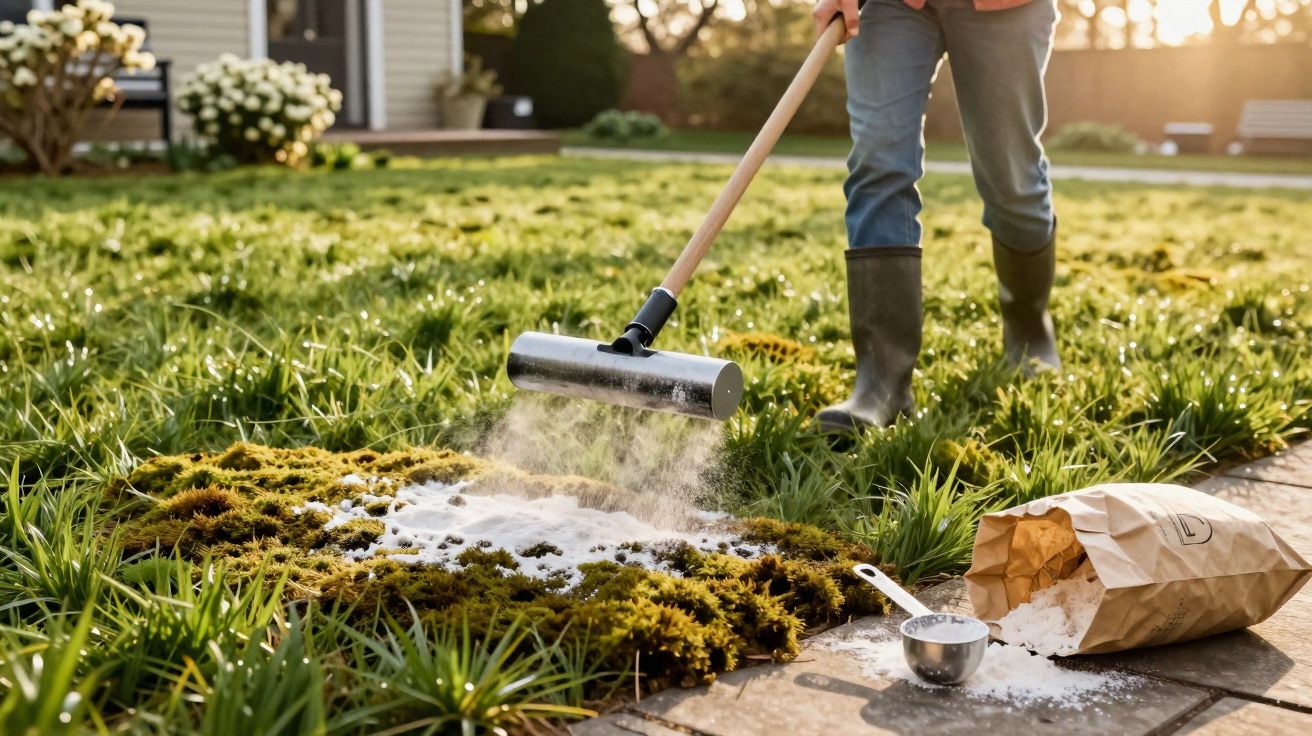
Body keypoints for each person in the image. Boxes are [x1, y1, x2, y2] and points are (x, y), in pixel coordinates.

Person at [811, 0, 1061, 432]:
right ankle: (881, 383)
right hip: (891, 6)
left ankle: (1028, 330)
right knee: (878, 163)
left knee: (1012, 180)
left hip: (1005, 8)